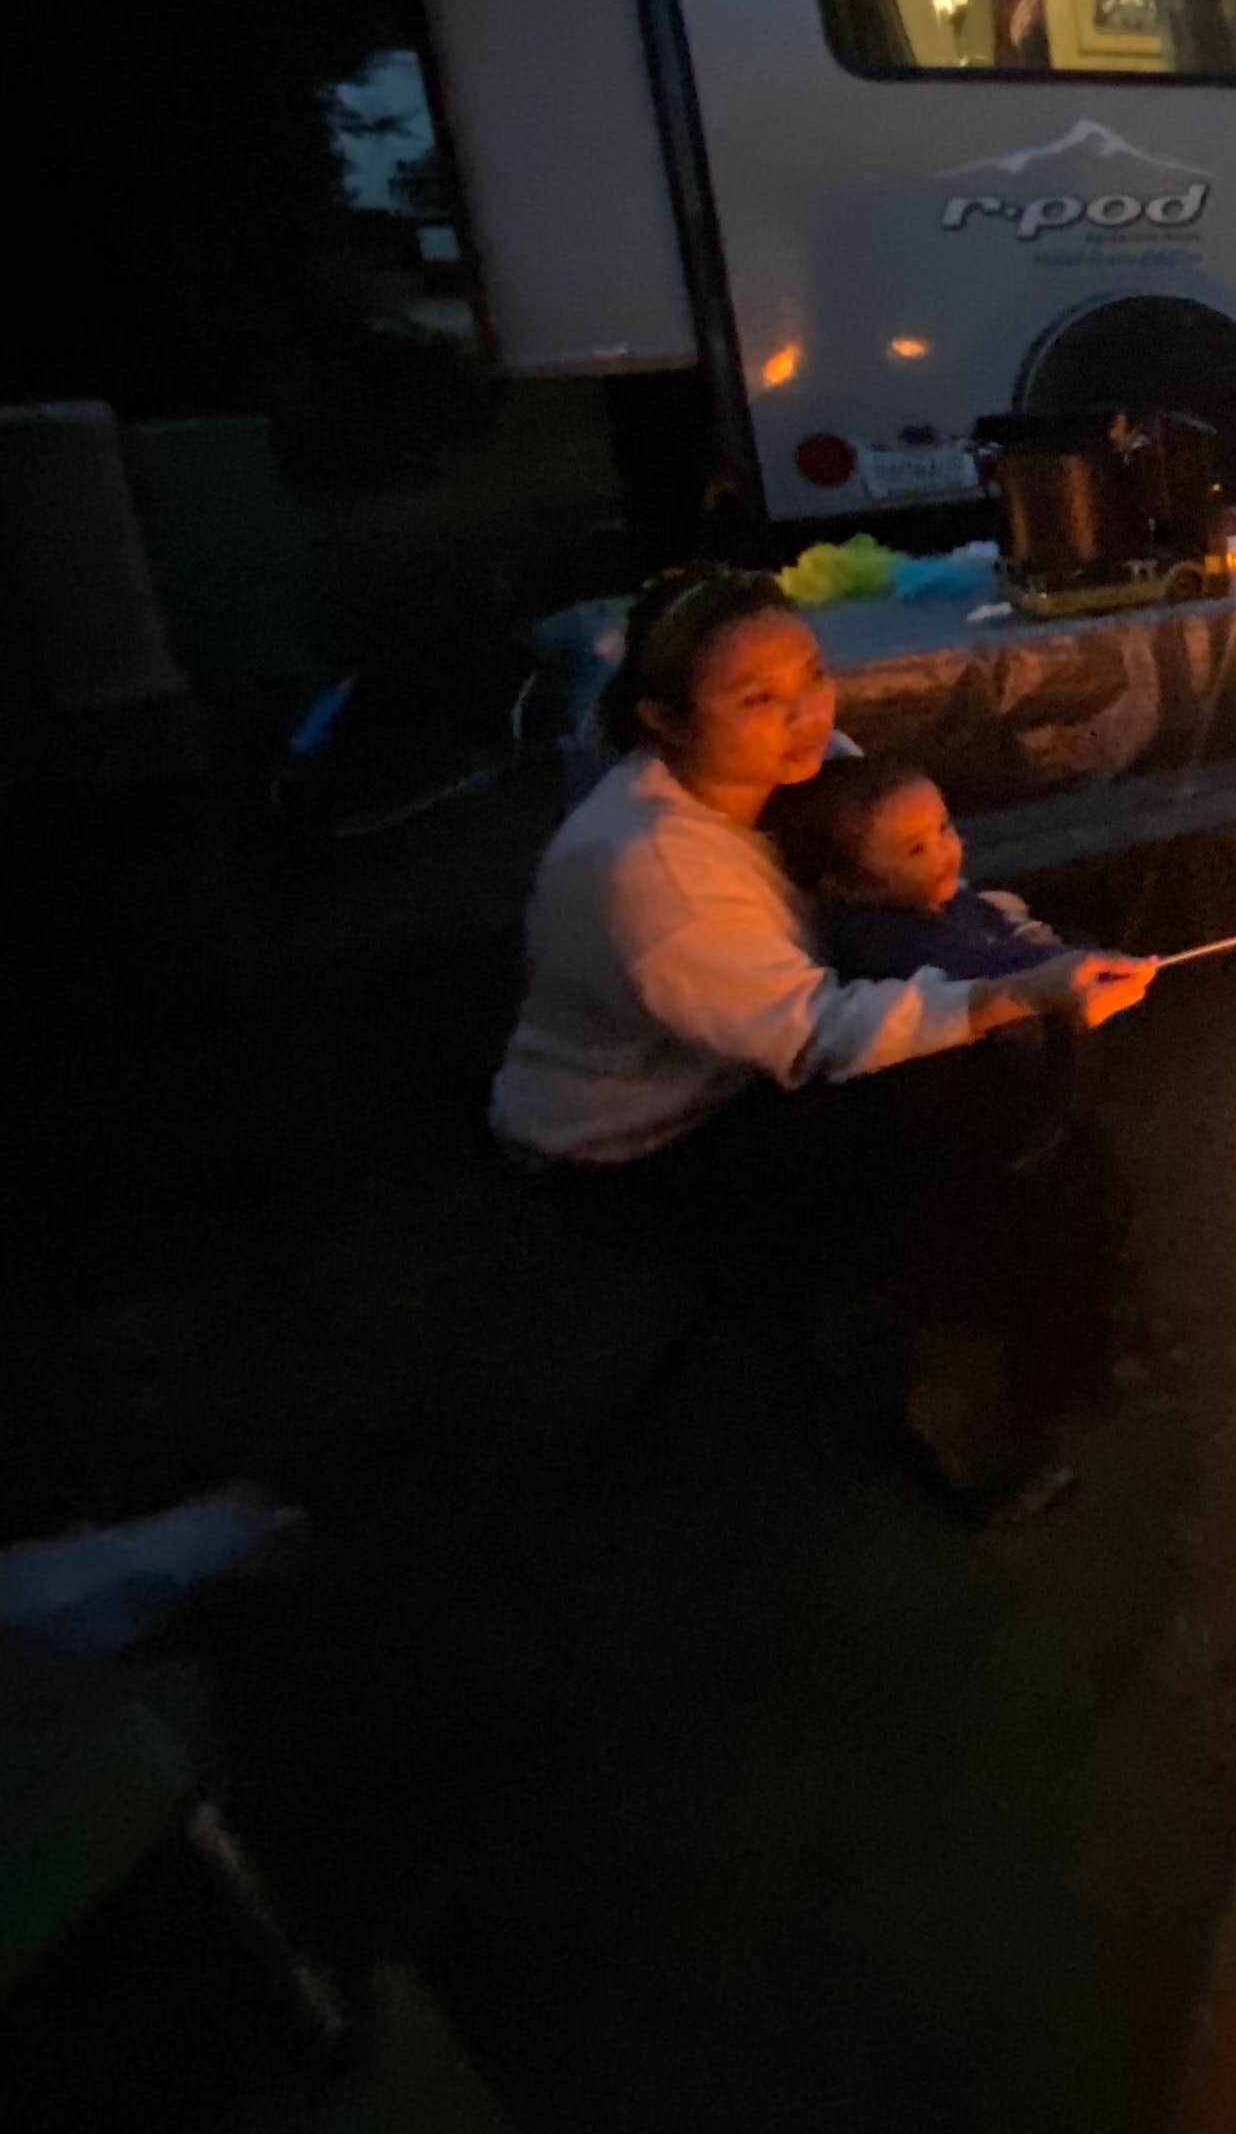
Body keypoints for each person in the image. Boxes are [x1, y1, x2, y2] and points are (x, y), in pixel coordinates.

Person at [490, 566, 1154, 1504]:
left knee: (1009, 1097)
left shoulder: (808, 772)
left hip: (756, 1050)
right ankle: (944, 1400)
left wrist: (1018, 952)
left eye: (811, 676)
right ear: (665, 723)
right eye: (758, 700)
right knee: (950, 1126)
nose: (804, 715)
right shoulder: (650, 868)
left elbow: (905, 893)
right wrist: (1012, 996)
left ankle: (1067, 1308)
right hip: (643, 1138)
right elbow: (811, 1037)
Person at [764, 755, 1072, 991]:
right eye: (916, 850)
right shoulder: (887, 944)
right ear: (851, 886)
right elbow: (985, 971)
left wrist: (1022, 932)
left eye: (943, 828)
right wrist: (1070, 963)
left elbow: (982, 917)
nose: (945, 852)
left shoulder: (927, 895)